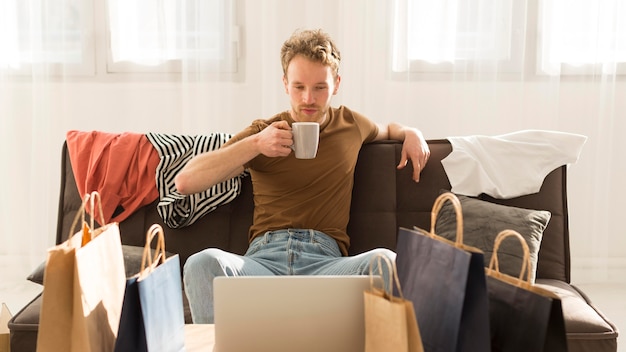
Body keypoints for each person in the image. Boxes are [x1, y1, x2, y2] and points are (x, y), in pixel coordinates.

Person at [175, 28, 430, 324]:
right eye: (299, 87)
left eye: (320, 87)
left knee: (385, 261)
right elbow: (185, 181)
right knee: (201, 263)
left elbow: (389, 129)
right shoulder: (263, 131)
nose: (309, 99)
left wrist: (413, 133)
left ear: (336, 84)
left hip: (325, 264)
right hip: (262, 263)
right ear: (285, 85)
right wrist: (256, 144)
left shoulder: (352, 124)